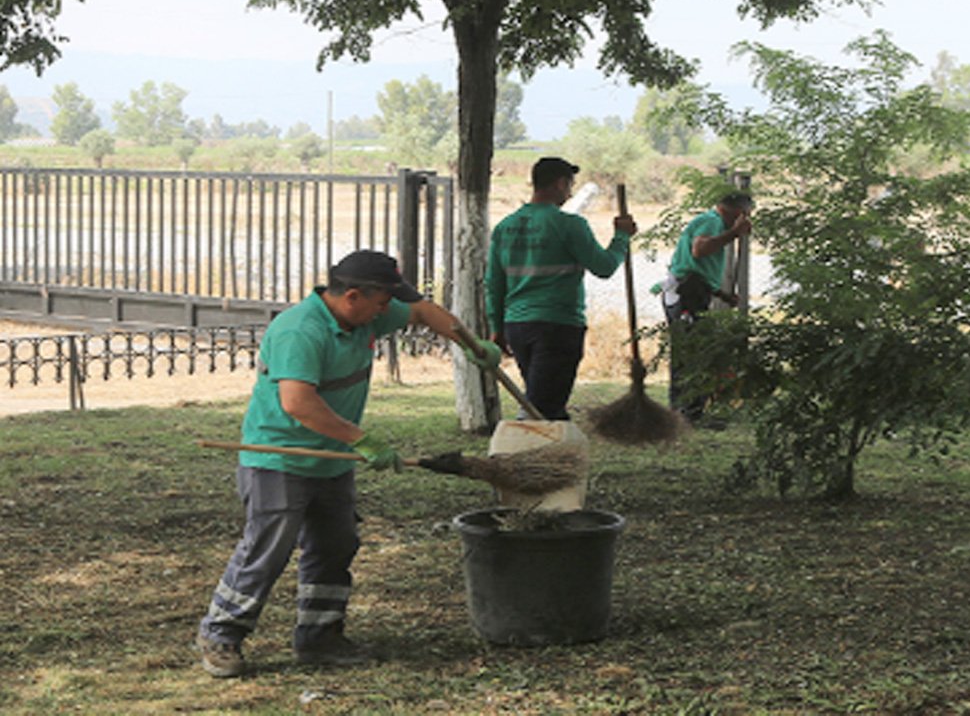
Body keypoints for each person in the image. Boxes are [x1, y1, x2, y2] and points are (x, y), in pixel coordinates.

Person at [194, 249, 500, 678]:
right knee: (268, 549)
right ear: (353, 296)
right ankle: (221, 634)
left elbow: (423, 310)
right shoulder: (300, 331)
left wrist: (470, 344)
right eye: (381, 301)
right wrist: (364, 440)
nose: (388, 310)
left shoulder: (365, 316)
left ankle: (319, 637)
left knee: (335, 545)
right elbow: (298, 403)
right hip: (279, 457)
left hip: (331, 460)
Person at [485, 157, 637, 420]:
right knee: (541, 409)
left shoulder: (504, 228)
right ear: (560, 183)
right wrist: (621, 237)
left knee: (543, 397)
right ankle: (527, 453)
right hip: (557, 326)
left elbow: (494, 284)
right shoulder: (569, 225)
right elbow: (604, 267)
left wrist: (497, 327)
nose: (569, 193)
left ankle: (550, 448)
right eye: (570, 186)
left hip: (517, 326)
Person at [661, 191, 753, 425]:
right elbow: (699, 250)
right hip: (686, 293)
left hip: (692, 290)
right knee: (694, 353)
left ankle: (687, 411)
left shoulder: (713, 223)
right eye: (746, 215)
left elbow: (699, 268)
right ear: (738, 212)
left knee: (693, 350)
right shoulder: (712, 221)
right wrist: (734, 233)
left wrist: (721, 294)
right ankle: (688, 412)